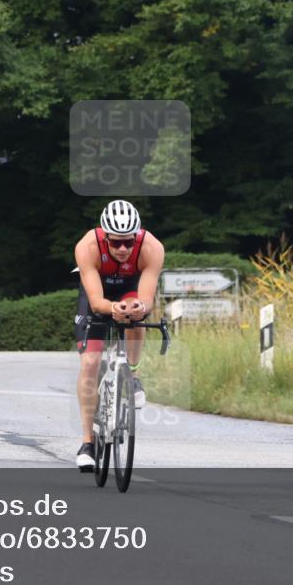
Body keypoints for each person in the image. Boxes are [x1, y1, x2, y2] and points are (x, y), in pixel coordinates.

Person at [73, 200, 164, 472]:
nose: (123, 249)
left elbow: (146, 299)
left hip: (131, 289)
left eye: (128, 243)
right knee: (90, 364)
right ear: (105, 237)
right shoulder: (87, 247)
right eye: (116, 243)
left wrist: (137, 307)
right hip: (98, 296)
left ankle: (133, 375)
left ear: (137, 237)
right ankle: (88, 442)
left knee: (136, 313)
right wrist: (113, 309)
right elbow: (97, 300)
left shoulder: (152, 248)